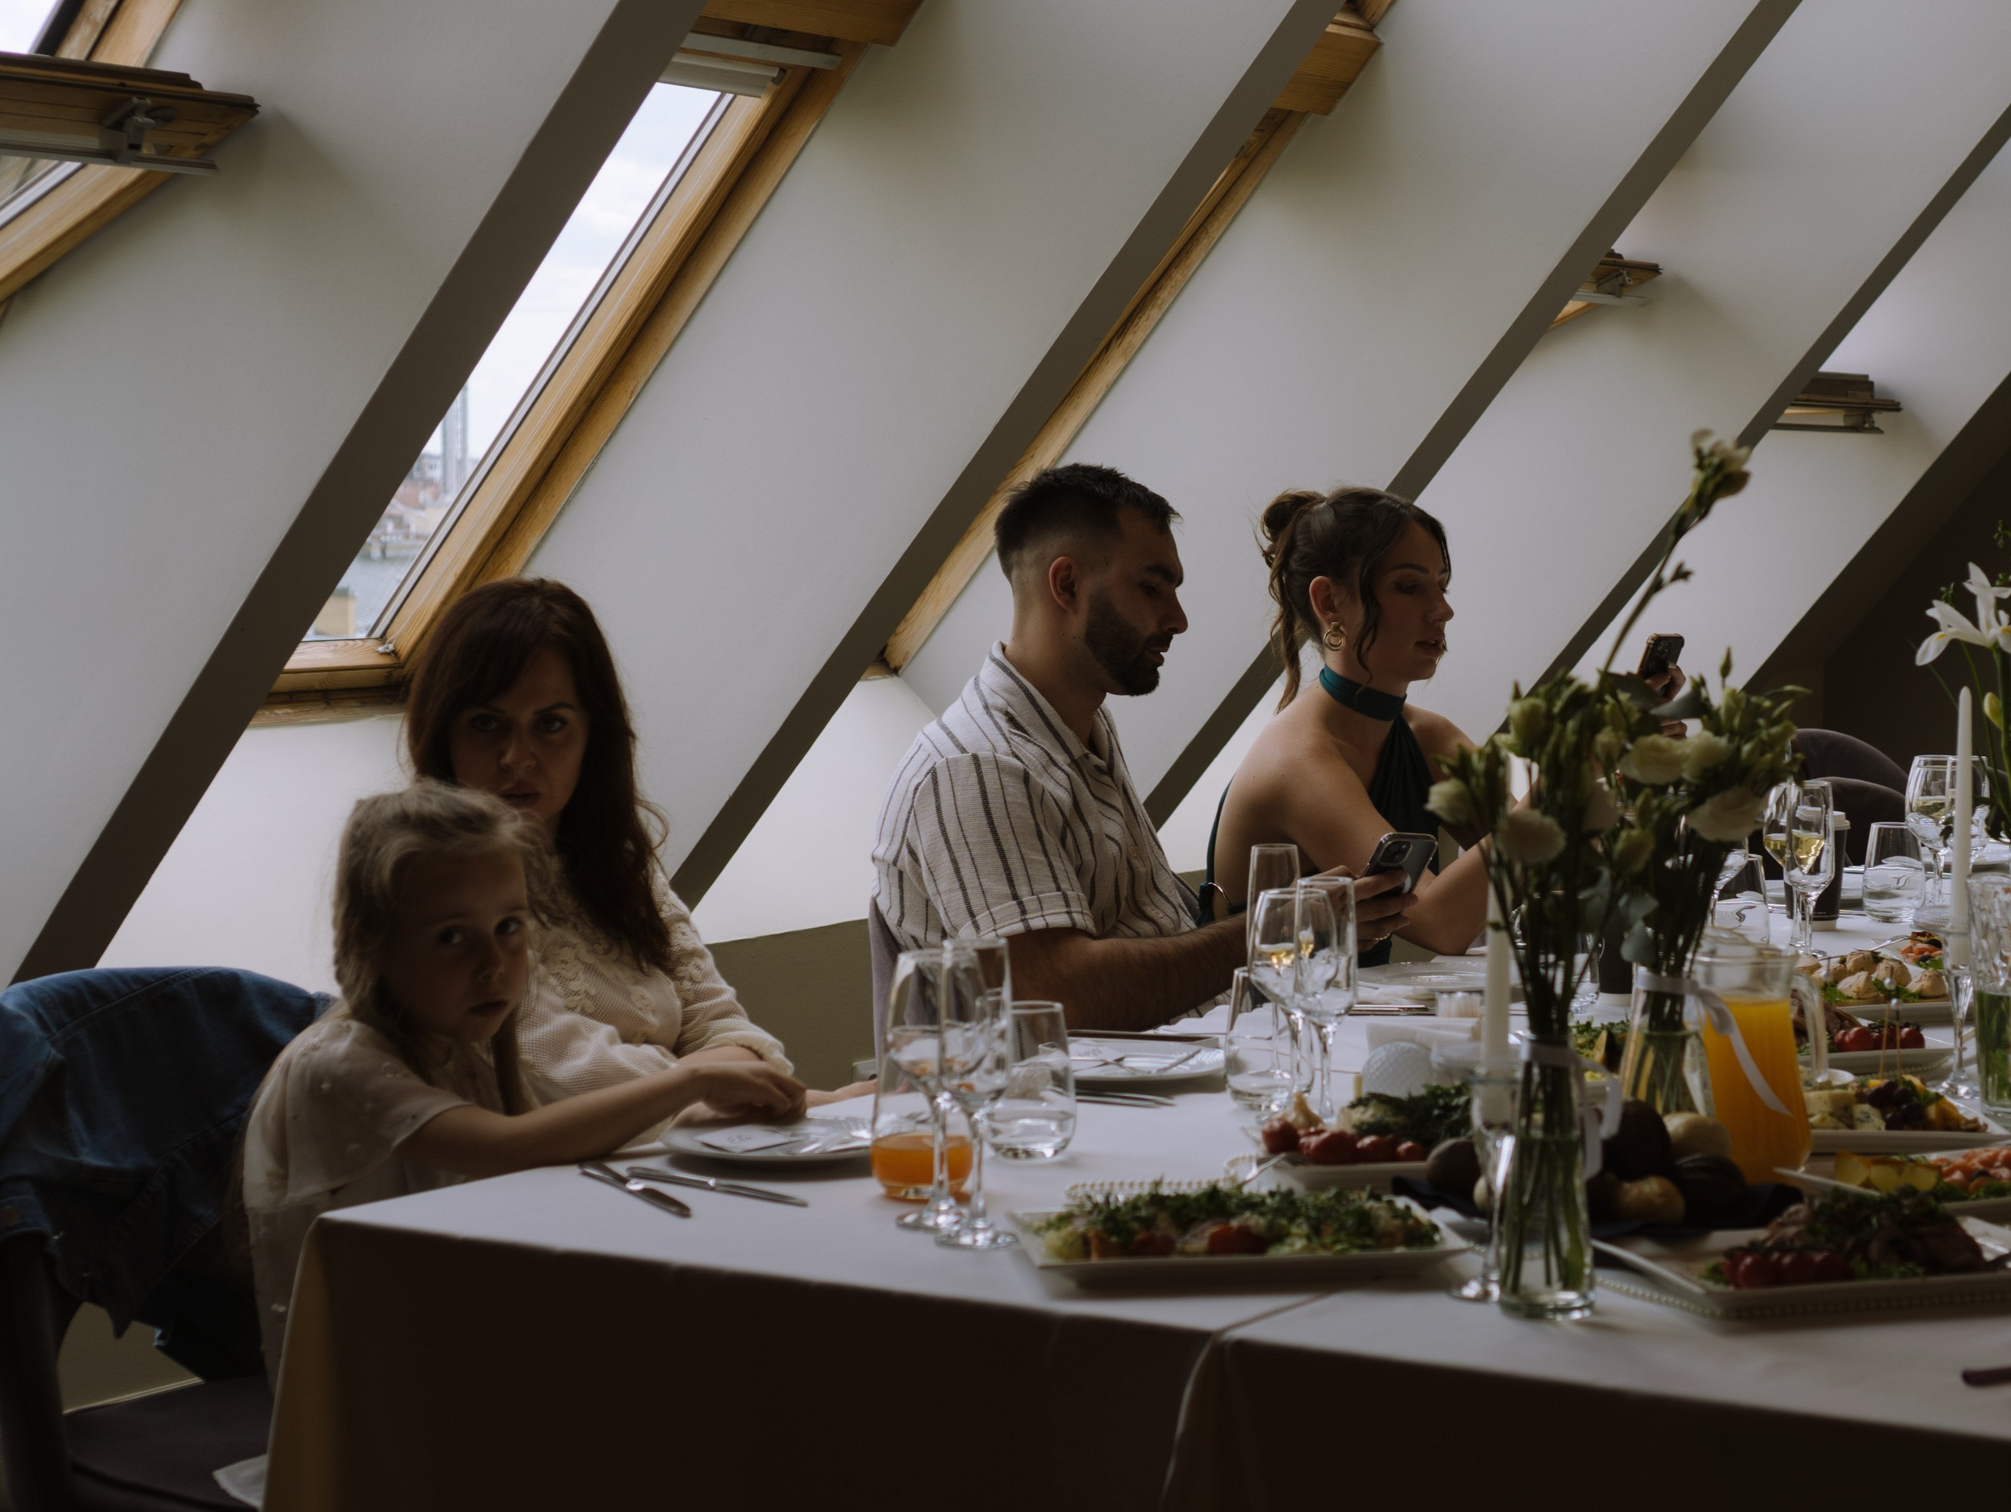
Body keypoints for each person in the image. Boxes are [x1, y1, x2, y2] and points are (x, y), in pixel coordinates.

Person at [244, 783, 804, 1373]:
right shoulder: (340, 1061)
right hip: (373, 1380)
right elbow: (513, 1149)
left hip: (455, 1332)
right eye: (452, 937)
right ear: (369, 940)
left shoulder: (462, 1044)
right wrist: (691, 1083)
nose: (492, 964)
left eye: (509, 927)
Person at [873, 464, 1407, 1030]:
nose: (1177, 619)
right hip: (1073, 1109)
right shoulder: (975, 768)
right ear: (1067, 585)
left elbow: (1151, 930)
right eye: (1151, 588)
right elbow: (1061, 999)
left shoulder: (1084, 724)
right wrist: (1276, 927)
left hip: (1179, 1064)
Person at [406, 578, 804, 1102]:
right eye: (486, 724)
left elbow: (730, 1031)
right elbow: (560, 1079)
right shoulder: (437, 888)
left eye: (549, 724)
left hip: (677, 1160)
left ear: (594, 735)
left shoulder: (617, 862)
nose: (516, 757)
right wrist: (709, 1081)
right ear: (442, 733)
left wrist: (705, 1080)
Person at [1208, 488, 1488, 957]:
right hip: (1262, 1024)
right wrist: (1560, 788)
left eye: (1442, 585)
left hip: (1350, 1021)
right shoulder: (1296, 760)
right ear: (1330, 603)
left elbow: (1564, 864)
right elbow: (1441, 921)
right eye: (1409, 586)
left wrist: (1624, 760)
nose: (1443, 609)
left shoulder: (1429, 737)